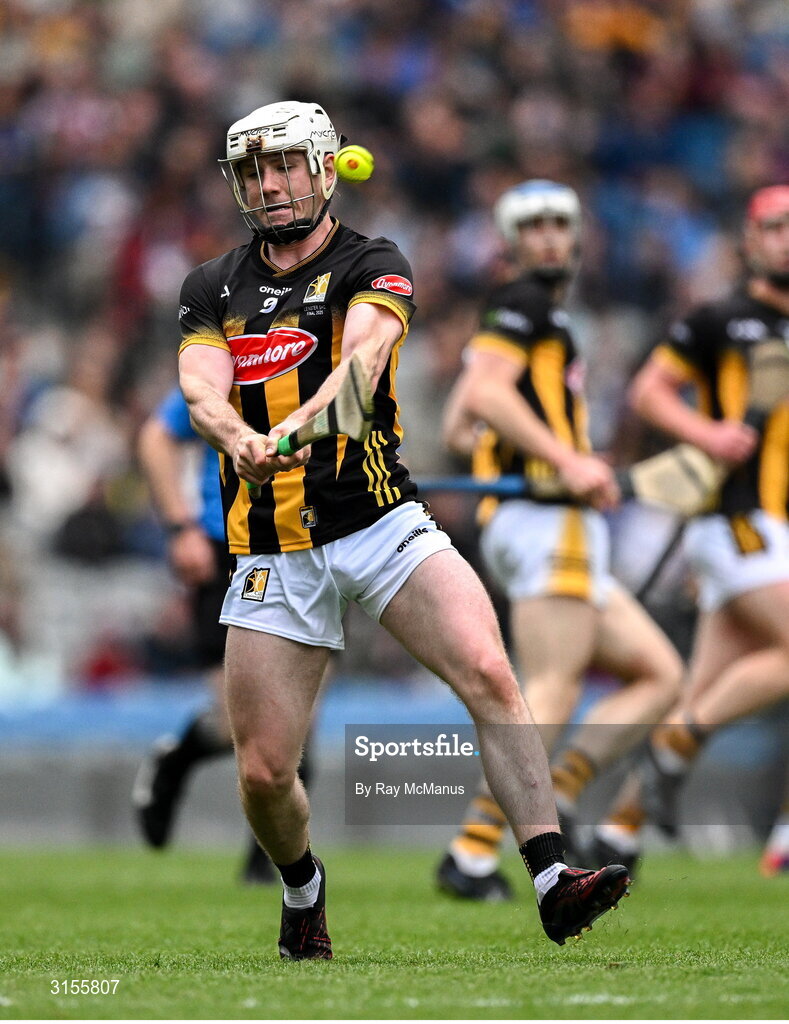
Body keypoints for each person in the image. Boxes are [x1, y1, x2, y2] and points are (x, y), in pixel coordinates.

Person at [176, 100, 632, 959]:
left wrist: (290, 432)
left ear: (322, 168)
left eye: (283, 166)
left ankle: (549, 878)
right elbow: (202, 387)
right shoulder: (212, 284)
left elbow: (358, 375)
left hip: (380, 520)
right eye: (251, 172)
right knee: (266, 772)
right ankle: (302, 886)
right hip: (272, 545)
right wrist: (236, 436)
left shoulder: (373, 261)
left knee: (492, 673)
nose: (268, 185)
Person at [436, 180, 682, 898]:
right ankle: (474, 849)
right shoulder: (525, 304)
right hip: (547, 518)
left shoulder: (522, 313)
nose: (546, 236)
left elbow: (460, 420)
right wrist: (569, 458)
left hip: (546, 521)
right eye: (532, 226)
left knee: (659, 674)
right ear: (511, 241)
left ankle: (564, 791)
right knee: (550, 686)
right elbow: (482, 398)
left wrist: (515, 443)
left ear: (574, 237)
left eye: (557, 224)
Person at [625, 184, 789, 838]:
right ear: (749, 243)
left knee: (704, 686)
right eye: (774, 227)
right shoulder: (719, 317)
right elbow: (647, 392)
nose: (785, 239)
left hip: (771, 526)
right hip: (735, 517)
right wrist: (708, 433)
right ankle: (672, 748)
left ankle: (616, 832)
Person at [132, 386, 312, 883]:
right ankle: (182, 755)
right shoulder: (233, 361)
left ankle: (270, 866)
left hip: (314, 547)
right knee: (249, 723)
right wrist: (179, 527)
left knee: (302, 727)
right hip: (229, 546)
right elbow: (157, 435)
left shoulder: (329, 354)